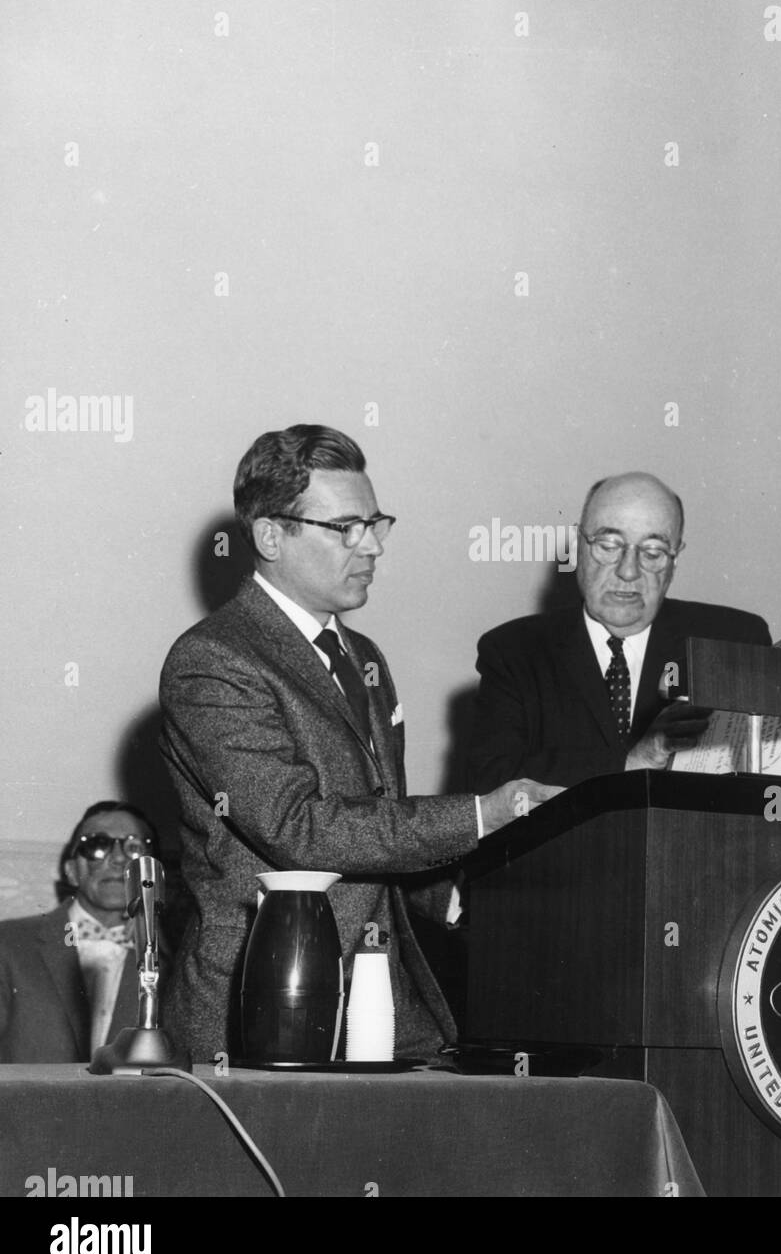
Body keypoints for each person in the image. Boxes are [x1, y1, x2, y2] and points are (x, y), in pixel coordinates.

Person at [159, 424, 558, 1063]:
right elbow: (300, 828)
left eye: (375, 523)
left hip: (380, 1006)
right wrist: (485, 812)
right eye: (345, 527)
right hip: (260, 1013)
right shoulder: (211, 660)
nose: (371, 545)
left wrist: (465, 903)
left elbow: (373, 825)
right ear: (270, 536)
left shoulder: (362, 657)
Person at [467, 471, 771, 792]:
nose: (628, 571)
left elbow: (774, 771)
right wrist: (632, 762)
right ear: (578, 548)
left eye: (653, 552)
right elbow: (491, 787)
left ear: (674, 560)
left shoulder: (735, 640)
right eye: (609, 545)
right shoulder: (513, 651)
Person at [0, 802, 154, 1062]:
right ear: (71, 871)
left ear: (154, 875)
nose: (118, 859)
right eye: (97, 845)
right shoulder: (8, 944)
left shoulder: (178, 964)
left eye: (134, 847)